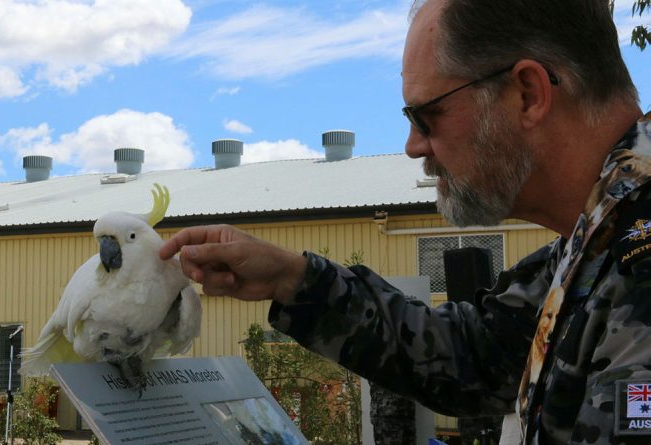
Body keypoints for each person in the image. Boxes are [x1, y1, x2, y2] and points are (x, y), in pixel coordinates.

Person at [159, 0, 651, 443]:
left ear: (527, 93)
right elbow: (475, 356)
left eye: (428, 116)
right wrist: (291, 279)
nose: (413, 146)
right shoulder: (597, 240)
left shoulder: (638, 261)